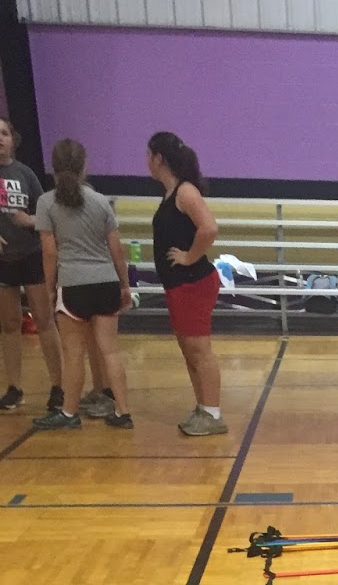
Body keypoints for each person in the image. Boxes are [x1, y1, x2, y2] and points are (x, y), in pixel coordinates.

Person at [31, 139, 133, 431]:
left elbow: (50, 253)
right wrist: (124, 284)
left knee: (73, 354)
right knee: (110, 350)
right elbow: (116, 248)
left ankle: (68, 413)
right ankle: (123, 412)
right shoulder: (101, 201)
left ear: (53, 167)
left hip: (73, 285)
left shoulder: (46, 202)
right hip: (106, 283)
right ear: (84, 166)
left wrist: (50, 289)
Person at [147, 131, 225, 436]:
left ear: (159, 158)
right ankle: (203, 407)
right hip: (178, 285)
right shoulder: (170, 194)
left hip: (193, 282)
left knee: (199, 350)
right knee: (188, 349)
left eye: (148, 155)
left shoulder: (185, 192)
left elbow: (209, 228)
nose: (146, 161)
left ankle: (213, 414)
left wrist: (190, 257)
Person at [0, 117, 64, 414]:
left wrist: (31, 221)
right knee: (10, 324)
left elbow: (48, 218)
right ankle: (14, 388)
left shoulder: (25, 174)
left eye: (3, 133)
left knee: (44, 320)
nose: (0, 139)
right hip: (3, 262)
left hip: (31, 256)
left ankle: (58, 386)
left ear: (13, 139)